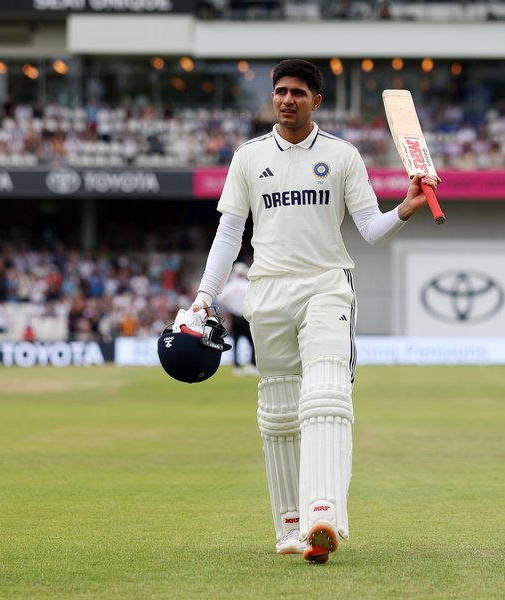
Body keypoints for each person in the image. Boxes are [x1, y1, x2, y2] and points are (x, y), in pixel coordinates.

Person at [176, 58, 440, 564]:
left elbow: (369, 228)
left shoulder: (342, 155)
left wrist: (405, 208)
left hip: (326, 286)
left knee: (324, 396)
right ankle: (291, 528)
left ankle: (325, 513)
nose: (287, 99)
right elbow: (229, 234)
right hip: (268, 291)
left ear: (316, 101)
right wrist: (204, 296)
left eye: (298, 92)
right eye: (280, 91)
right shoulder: (248, 157)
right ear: (272, 98)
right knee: (277, 414)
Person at [215, 261, 258, 376]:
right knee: (252, 342)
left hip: (234, 316)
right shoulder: (247, 284)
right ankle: (252, 365)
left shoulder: (230, 286)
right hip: (245, 315)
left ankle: (237, 367)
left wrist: (230, 307)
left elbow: (220, 299)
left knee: (236, 342)